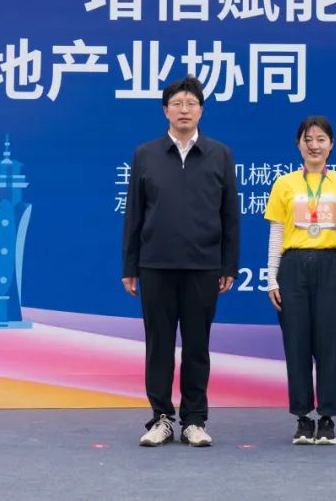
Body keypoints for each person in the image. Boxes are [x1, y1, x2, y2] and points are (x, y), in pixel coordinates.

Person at [121, 76, 240, 448]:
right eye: (177, 104)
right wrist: (130, 266)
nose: (184, 110)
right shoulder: (146, 154)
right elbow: (134, 213)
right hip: (155, 264)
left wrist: (228, 265)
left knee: (197, 346)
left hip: (203, 265)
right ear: (165, 110)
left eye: (191, 103)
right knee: (158, 344)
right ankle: (160, 418)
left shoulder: (220, 154)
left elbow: (230, 215)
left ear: (201, 110)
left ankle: (194, 420)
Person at [265, 116, 336, 445]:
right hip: (293, 267)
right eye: (308, 139)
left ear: (331, 145)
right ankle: (303, 418)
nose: (314, 146)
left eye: (321, 139)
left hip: (331, 266)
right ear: (299, 145)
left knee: (329, 344)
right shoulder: (285, 184)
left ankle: (328, 417)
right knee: (297, 344)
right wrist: (272, 278)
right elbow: (277, 233)